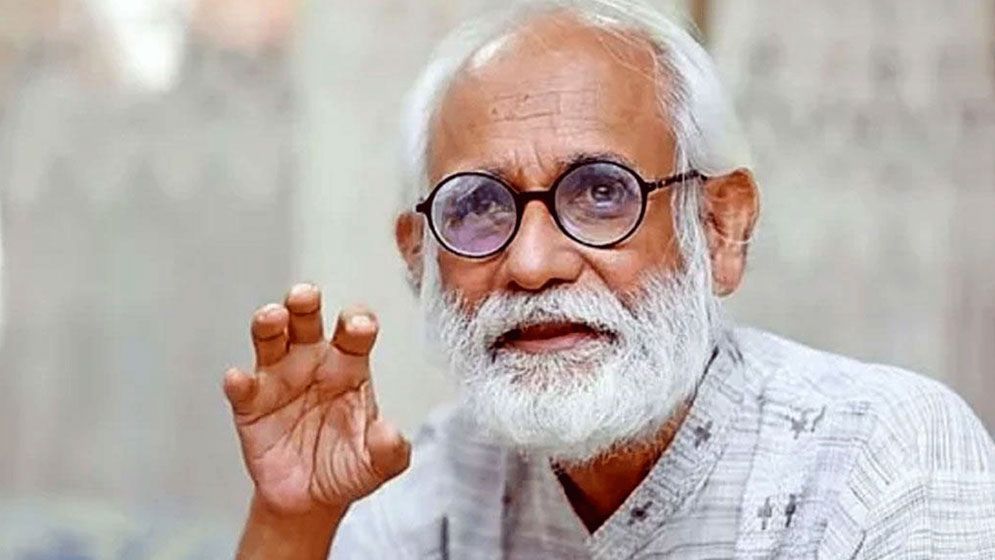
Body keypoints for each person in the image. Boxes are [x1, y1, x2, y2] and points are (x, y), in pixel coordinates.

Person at [222, 1, 995, 558]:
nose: (532, 265)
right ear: (419, 257)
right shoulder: (436, 486)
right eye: (479, 207)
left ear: (719, 229)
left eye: (600, 193)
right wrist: (293, 523)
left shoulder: (879, 456)